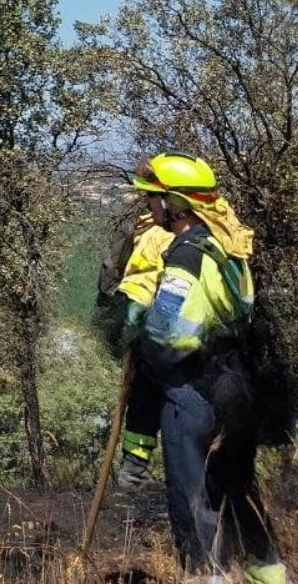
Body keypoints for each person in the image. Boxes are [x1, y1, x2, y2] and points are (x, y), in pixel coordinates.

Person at [122, 151, 288, 584]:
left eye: (154, 198)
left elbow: (169, 341)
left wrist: (138, 334)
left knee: (193, 511)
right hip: (237, 393)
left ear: (176, 203)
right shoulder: (228, 248)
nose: (149, 206)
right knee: (239, 496)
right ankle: (270, 576)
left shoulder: (185, 260)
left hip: (192, 396)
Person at [96, 205, 174, 489]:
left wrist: (112, 301)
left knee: (144, 393)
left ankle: (133, 470)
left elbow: (110, 270)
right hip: (177, 326)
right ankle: (140, 470)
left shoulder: (139, 225)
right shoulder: (203, 229)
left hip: (142, 317)